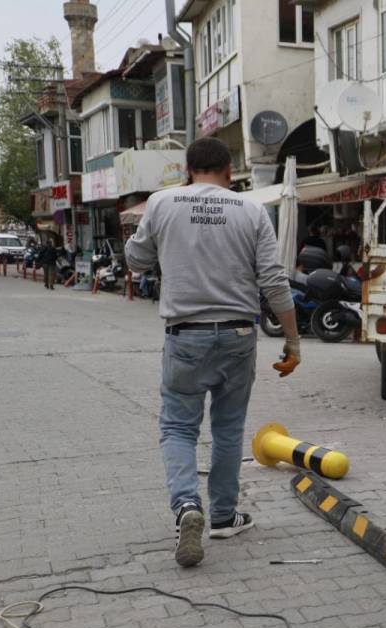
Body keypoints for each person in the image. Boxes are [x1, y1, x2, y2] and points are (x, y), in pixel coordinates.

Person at [126, 137, 302, 568]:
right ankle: (224, 515)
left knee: (179, 428)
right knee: (227, 428)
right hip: (240, 335)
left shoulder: (162, 202)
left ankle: (187, 507)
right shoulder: (252, 209)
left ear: (189, 170)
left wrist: (144, 240)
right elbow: (274, 281)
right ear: (228, 172)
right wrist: (293, 341)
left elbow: (136, 261)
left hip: (185, 335)